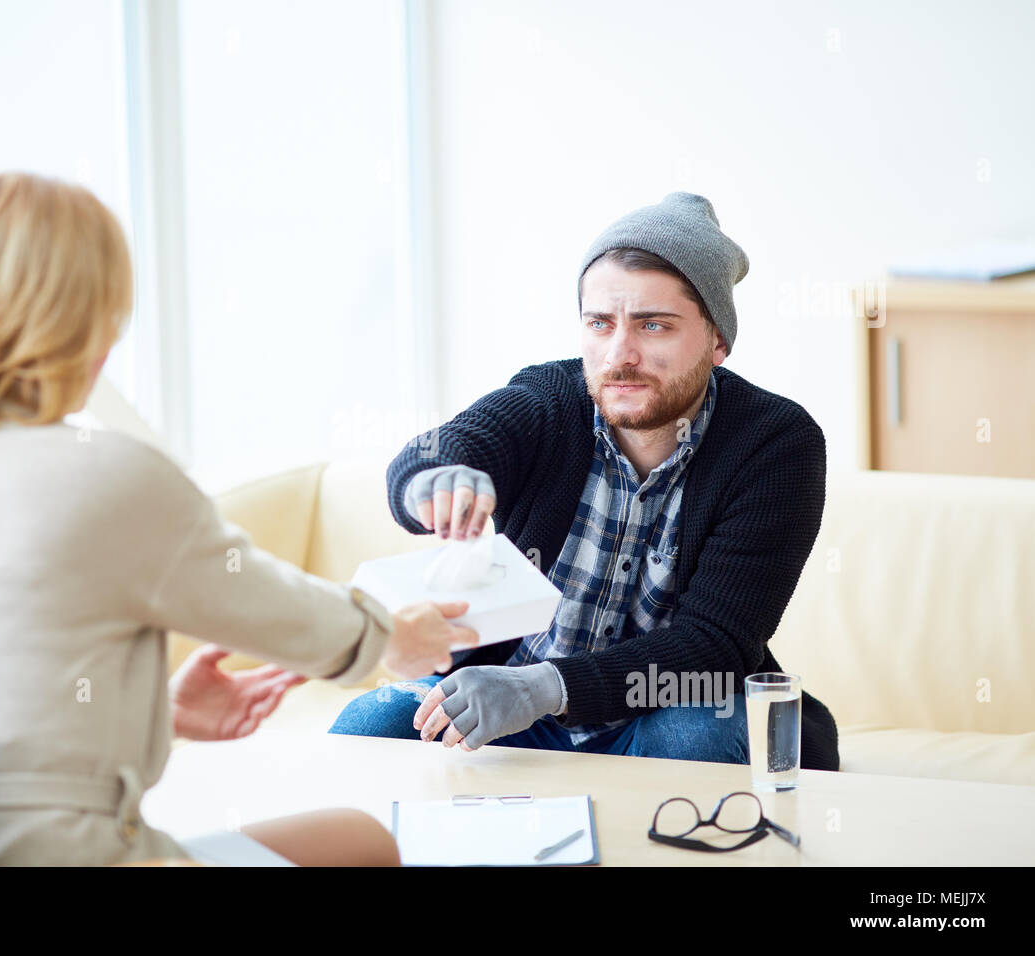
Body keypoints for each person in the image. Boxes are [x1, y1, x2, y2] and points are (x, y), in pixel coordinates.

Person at [0, 172, 477, 867]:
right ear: (71, 327)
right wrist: (395, 635)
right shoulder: (106, 476)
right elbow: (287, 615)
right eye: (106, 316)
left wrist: (154, 713)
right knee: (365, 843)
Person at [329, 192, 840, 772]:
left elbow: (718, 645)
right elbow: (439, 447)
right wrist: (436, 476)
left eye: (654, 325)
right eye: (600, 323)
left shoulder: (776, 443)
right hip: (510, 706)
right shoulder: (550, 399)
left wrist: (543, 688)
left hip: (664, 708)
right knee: (365, 729)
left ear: (717, 339)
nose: (621, 355)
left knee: (700, 740)